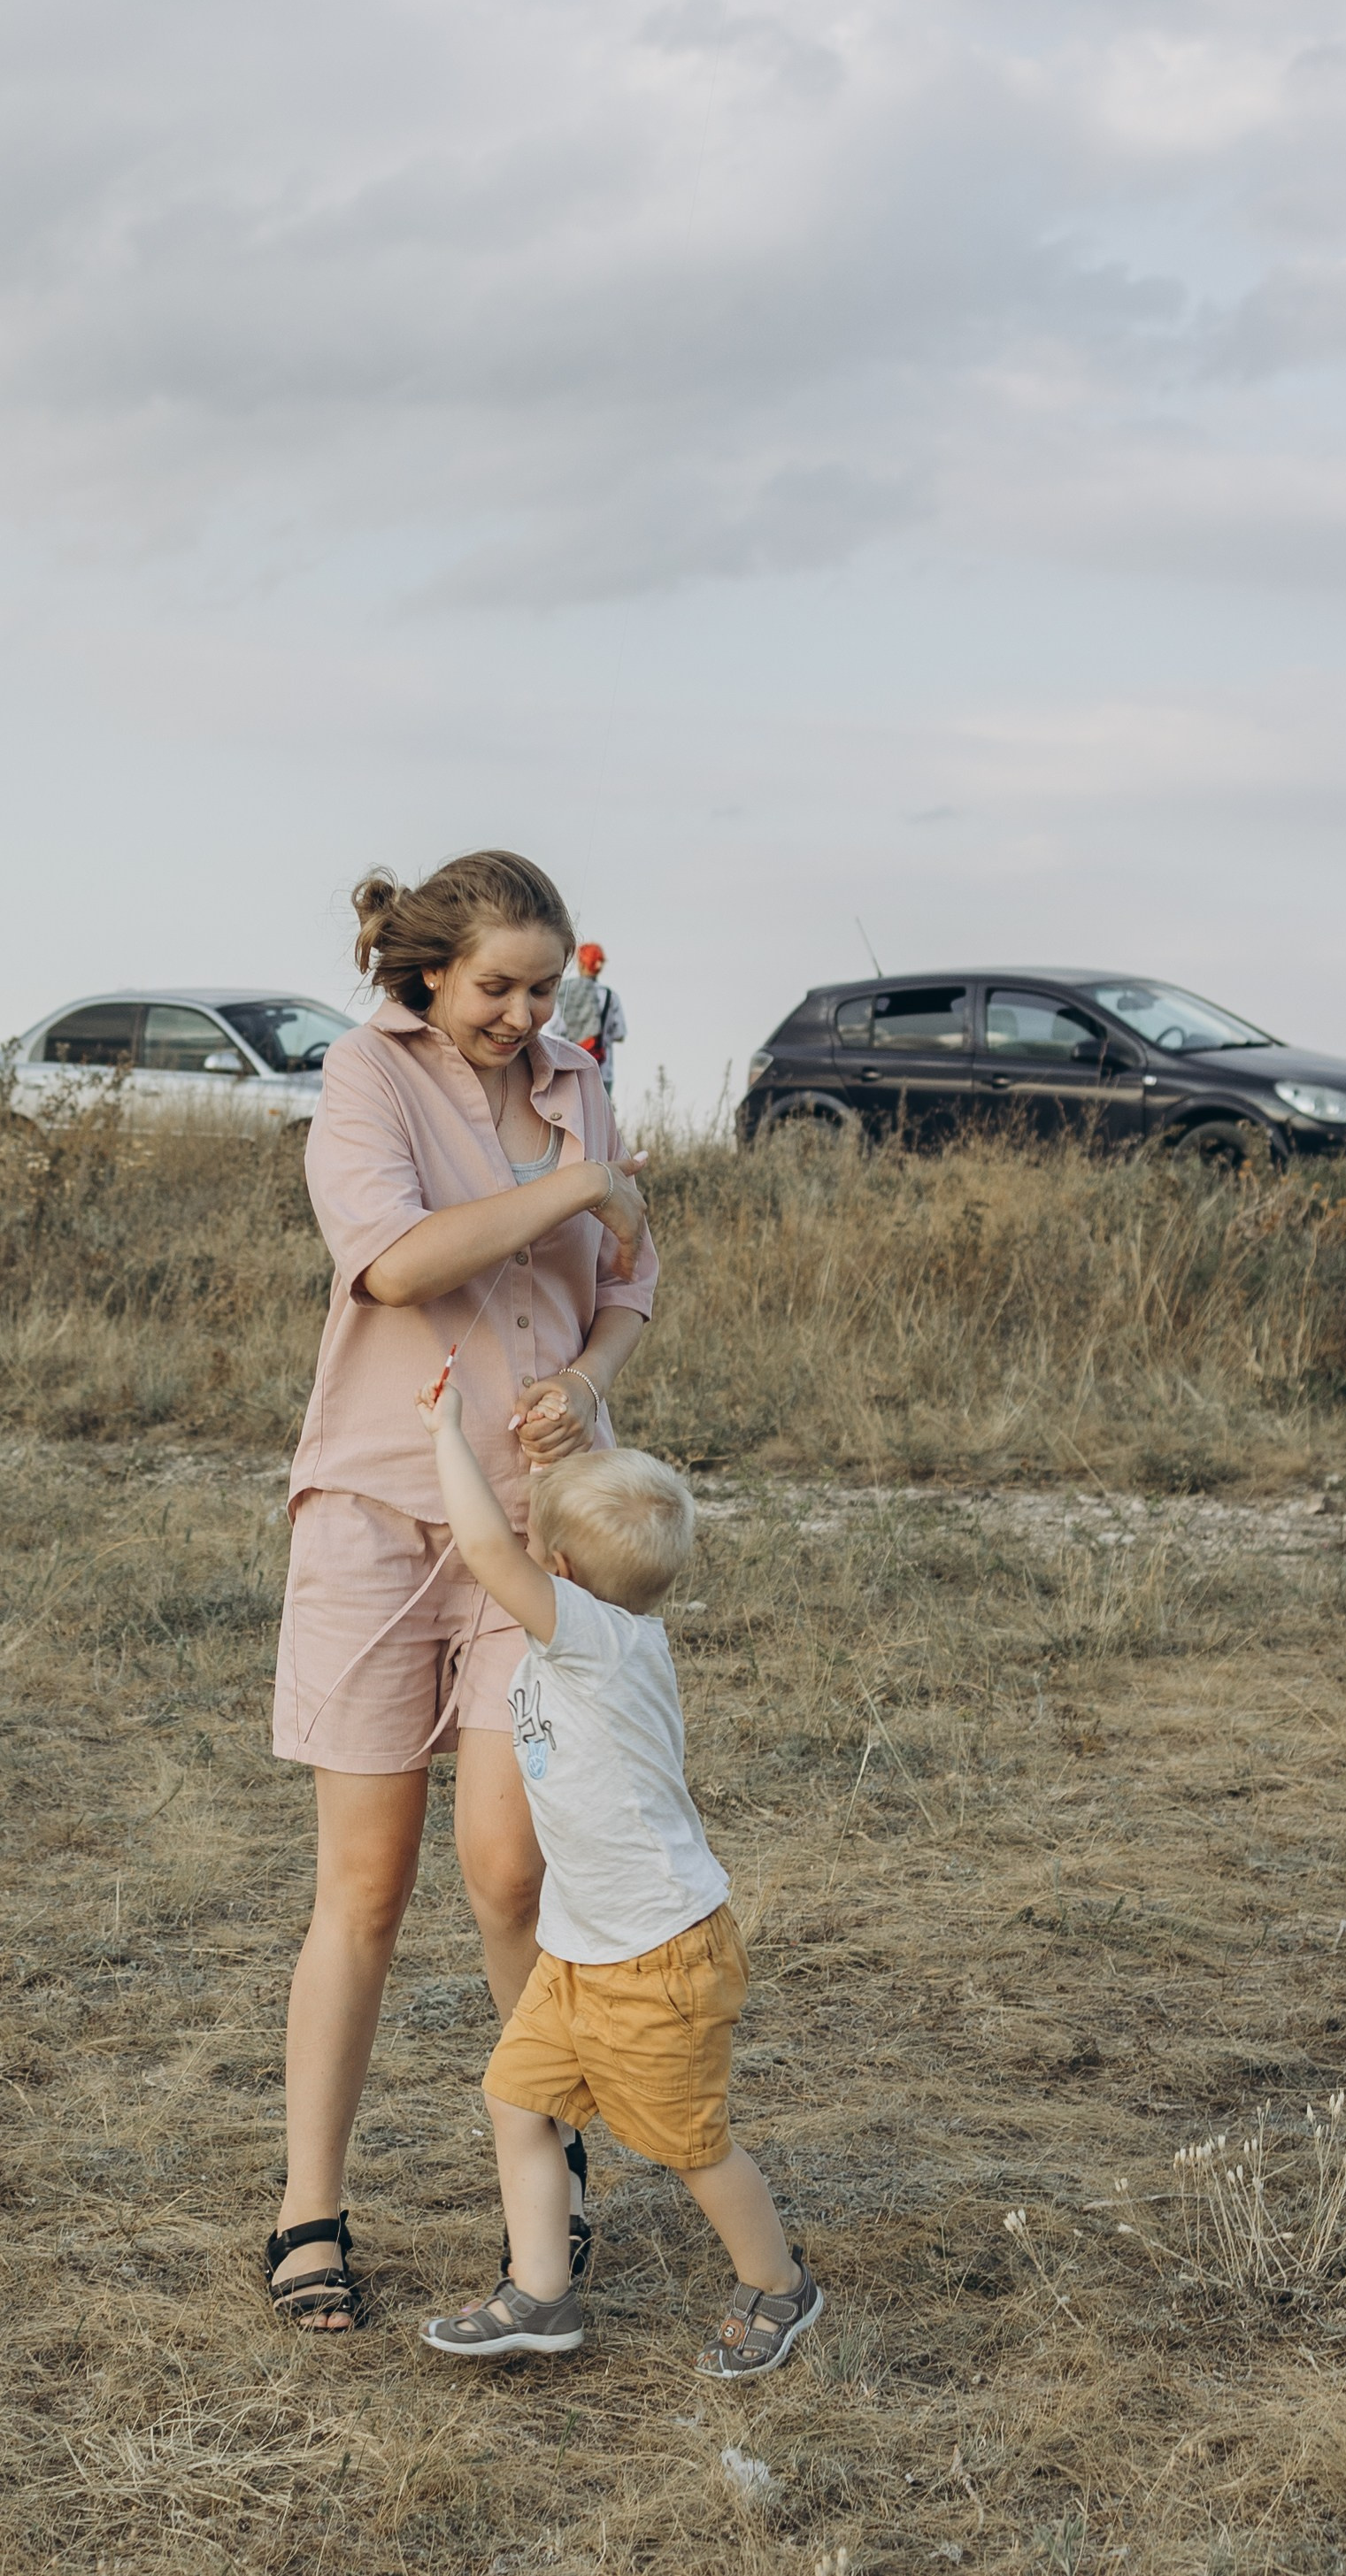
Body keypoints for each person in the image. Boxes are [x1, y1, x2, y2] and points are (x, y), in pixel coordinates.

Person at [264, 851, 657, 2334]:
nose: (524, 1015)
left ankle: (542, 2190)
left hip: (535, 1532)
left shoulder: (576, 1085)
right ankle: (308, 2209)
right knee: (363, 1889)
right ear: (428, 968)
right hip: (375, 1515)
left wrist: (587, 1381)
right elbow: (392, 1265)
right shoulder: (364, 1076)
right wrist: (578, 1182)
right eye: (498, 986)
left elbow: (626, 1280)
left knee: (510, 1874)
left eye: (544, 990)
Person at [411, 1389, 827, 2379]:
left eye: (538, 1546)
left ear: (557, 1573)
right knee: (518, 2100)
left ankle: (778, 2285)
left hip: (656, 1956)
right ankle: (540, 2293)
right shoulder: (600, 1628)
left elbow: (487, 1548)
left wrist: (444, 1432)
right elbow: (530, 1544)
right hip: (578, 1947)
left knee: (689, 2144)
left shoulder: (594, 1642)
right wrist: (547, 1460)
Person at [548, 942, 626, 1093]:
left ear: (581, 964)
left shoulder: (565, 991)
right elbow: (619, 1033)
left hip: (572, 1064)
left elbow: (555, 1027)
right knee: (600, 1107)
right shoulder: (610, 996)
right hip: (603, 1069)